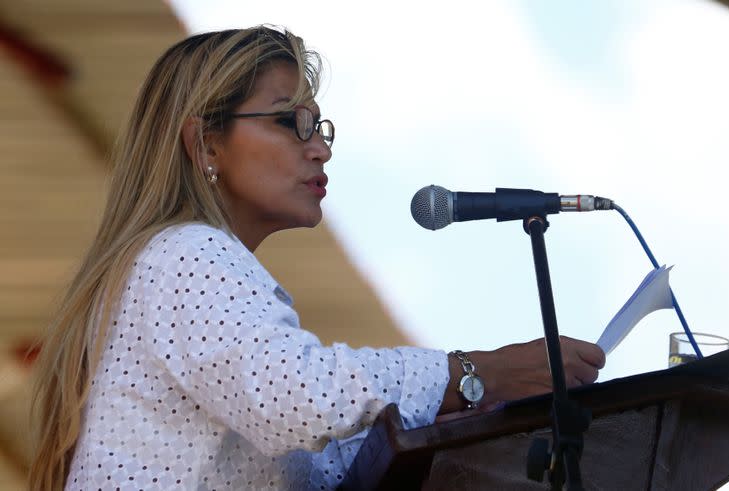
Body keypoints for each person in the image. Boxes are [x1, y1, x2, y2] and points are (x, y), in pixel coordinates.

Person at [28, 25, 605, 490]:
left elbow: (299, 465)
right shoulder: (188, 253)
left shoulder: (177, 264)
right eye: (292, 121)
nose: (321, 147)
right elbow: (298, 395)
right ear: (205, 143)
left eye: (319, 125)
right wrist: (473, 374)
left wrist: (439, 413)